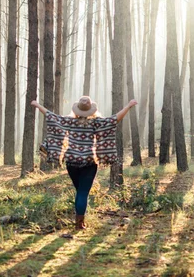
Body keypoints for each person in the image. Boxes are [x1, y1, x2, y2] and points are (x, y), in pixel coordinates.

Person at [31, 96, 137, 229]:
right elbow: (115, 119)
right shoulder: (96, 123)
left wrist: (37, 105)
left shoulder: (69, 121)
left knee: (80, 191)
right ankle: (79, 224)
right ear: (91, 109)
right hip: (89, 163)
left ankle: (79, 220)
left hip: (71, 162)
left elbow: (51, 116)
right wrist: (128, 106)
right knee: (82, 193)